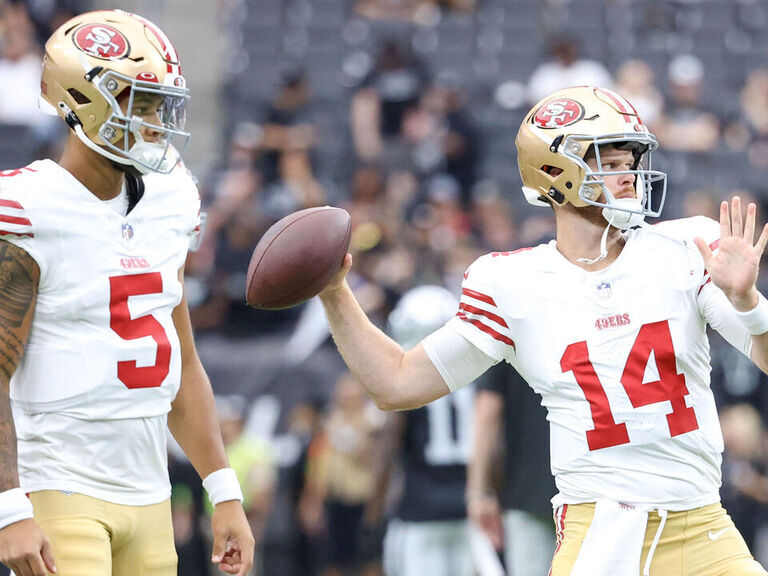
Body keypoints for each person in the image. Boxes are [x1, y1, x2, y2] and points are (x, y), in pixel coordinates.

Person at [318, 85, 768, 575]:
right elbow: (397, 383)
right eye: (611, 161)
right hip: (598, 537)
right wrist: (334, 293)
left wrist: (748, 304)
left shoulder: (685, 246)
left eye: (631, 160)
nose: (631, 176)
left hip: (702, 525)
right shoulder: (513, 283)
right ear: (556, 172)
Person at [0, 10, 254, 576]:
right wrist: (8, 506)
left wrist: (224, 489)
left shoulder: (171, 198)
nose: (155, 121)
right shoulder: (29, 209)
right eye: (138, 102)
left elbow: (182, 361)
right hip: (59, 485)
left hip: (149, 493)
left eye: (160, 104)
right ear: (79, 101)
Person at [372, 286, 475, 576]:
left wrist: (372, 515)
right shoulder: (477, 375)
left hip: (420, 510)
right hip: (469, 508)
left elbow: (387, 449)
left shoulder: (410, 382)